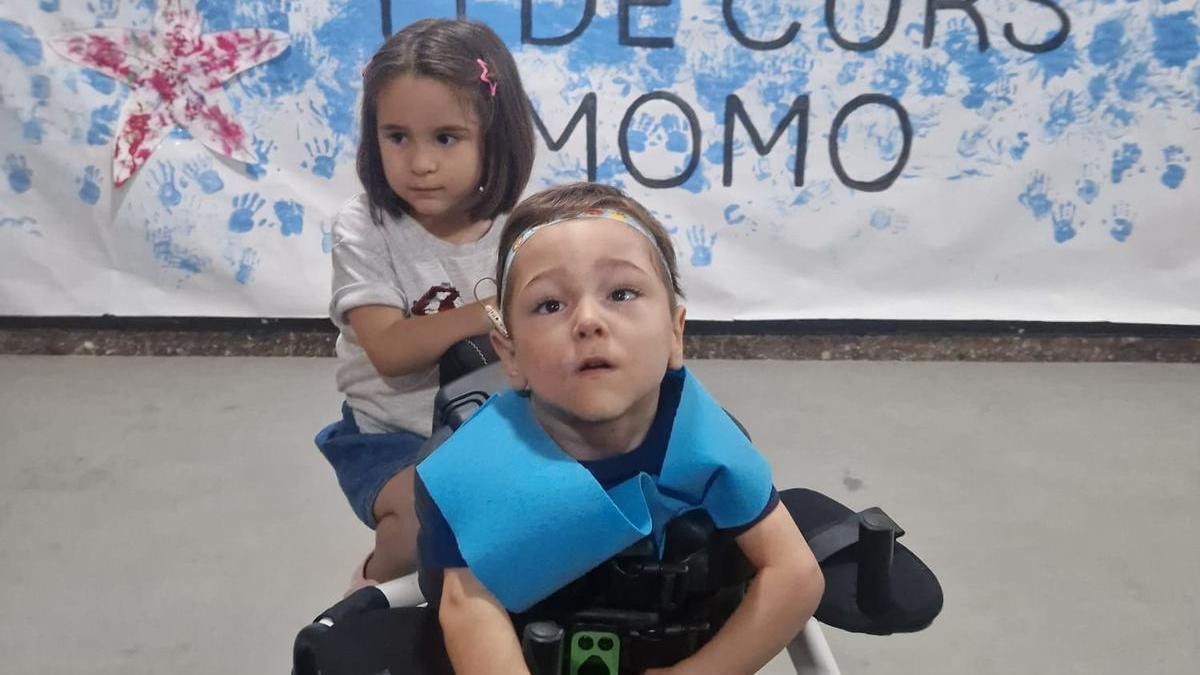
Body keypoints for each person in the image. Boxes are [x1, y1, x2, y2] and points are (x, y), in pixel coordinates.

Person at [414, 182, 825, 674]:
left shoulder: (704, 442)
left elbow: (795, 575)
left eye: (621, 293)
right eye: (550, 305)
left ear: (675, 334)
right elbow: (467, 607)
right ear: (511, 354)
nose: (588, 320)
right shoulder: (471, 471)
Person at [314, 17, 535, 593]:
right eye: (397, 136)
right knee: (420, 523)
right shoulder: (366, 226)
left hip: (502, 420)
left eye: (445, 137)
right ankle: (365, 608)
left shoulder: (526, 226)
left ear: (497, 134)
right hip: (391, 433)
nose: (420, 163)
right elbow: (389, 350)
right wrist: (498, 309)